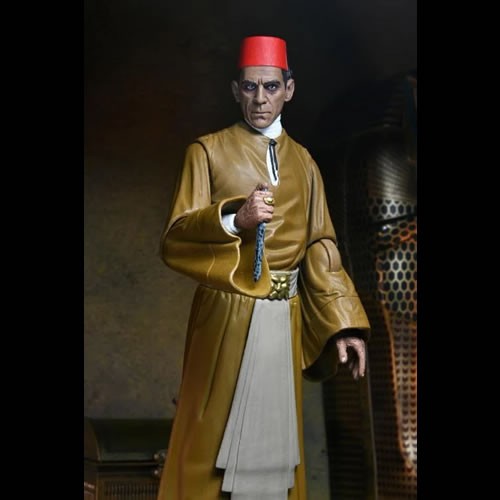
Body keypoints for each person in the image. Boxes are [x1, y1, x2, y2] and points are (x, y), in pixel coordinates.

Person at [157, 35, 370, 500]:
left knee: (276, 449)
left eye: (271, 87)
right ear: (236, 91)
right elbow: (176, 237)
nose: (260, 99)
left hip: (285, 315)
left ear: (288, 90)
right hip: (226, 315)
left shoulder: (305, 163)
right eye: (250, 87)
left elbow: (320, 245)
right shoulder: (207, 152)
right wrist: (237, 219)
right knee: (210, 443)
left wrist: (343, 324)